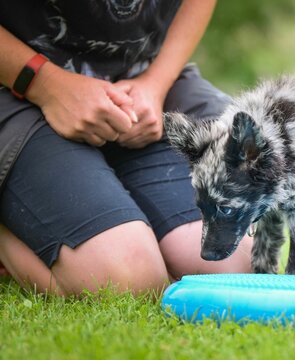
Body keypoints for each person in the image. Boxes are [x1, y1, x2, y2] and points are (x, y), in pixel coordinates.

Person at [0, 0, 253, 296]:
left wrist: (155, 83)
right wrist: (44, 84)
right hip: (15, 89)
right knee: (125, 282)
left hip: (143, 88)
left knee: (233, 263)